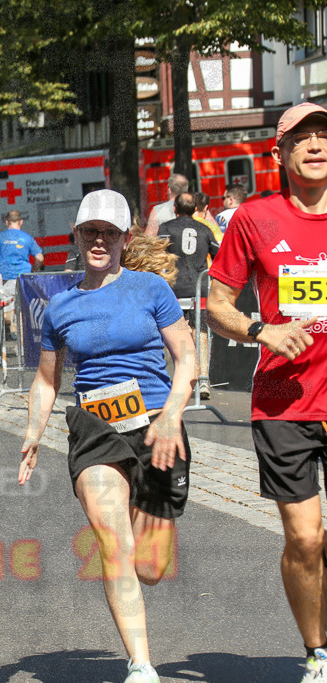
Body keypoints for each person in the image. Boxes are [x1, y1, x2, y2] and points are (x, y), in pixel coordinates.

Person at [19, 189, 196, 683]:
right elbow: (47, 380)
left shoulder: (150, 289)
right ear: (77, 237)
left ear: (123, 239)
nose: (99, 241)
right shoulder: (59, 306)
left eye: (109, 233)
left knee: (151, 567)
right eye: (90, 232)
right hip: (95, 429)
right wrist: (33, 432)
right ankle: (141, 665)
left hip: (157, 424)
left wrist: (172, 415)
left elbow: (187, 357)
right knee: (113, 542)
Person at [206, 102, 327, 683]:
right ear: (278, 154)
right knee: (306, 538)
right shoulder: (254, 218)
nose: (316, 145)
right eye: (302, 138)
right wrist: (263, 329)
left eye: (325, 135)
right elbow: (216, 305)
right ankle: (317, 652)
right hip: (284, 401)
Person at [158, 192, 220, 399]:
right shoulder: (204, 229)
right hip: (199, 288)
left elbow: (156, 254)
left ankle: (182, 380)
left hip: (173, 289)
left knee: (176, 334)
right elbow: (220, 254)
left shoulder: (166, 228)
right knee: (201, 332)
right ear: (195, 209)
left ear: (175, 208)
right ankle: (203, 379)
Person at [0, 209, 43, 337]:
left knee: (6, 310)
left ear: (7, 222)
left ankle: (13, 323)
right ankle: (22, 341)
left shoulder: (0, 237)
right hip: (25, 278)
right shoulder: (27, 238)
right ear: (21, 222)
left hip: (7, 277)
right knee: (23, 308)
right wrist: (34, 269)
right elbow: (40, 258)